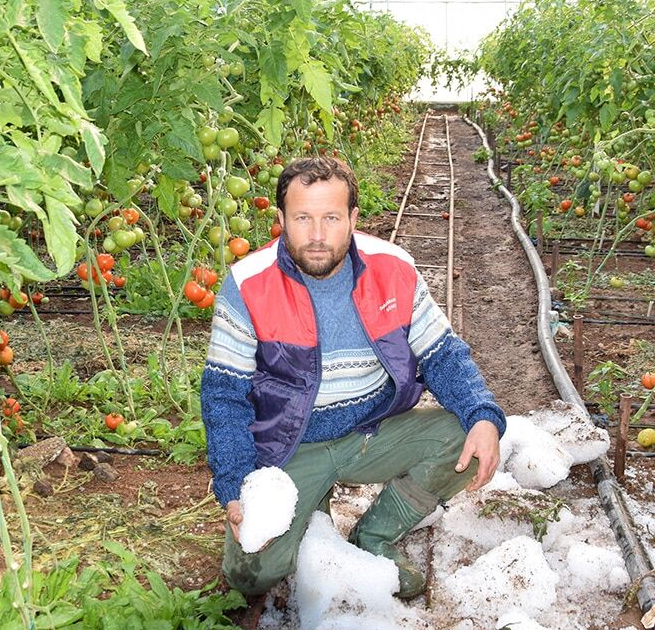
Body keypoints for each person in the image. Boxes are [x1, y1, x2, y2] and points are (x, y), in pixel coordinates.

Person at [201, 156, 505, 599]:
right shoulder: (249, 283)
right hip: (290, 444)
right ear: (281, 219)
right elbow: (224, 395)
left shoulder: (393, 269)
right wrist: (235, 483)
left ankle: (374, 535)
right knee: (250, 575)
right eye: (303, 218)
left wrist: (481, 414)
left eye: (331, 218)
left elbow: (442, 354)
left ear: (353, 219)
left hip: (371, 432)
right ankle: (310, 514)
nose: (318, 235)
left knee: (472, 439)